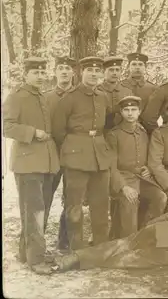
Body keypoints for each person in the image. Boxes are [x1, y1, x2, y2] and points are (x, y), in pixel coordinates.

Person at [50, 187, 168, 273]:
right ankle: (74, 258)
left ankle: (83, 262)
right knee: (124, 244)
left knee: (133, 259)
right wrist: (155, 222)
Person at [3, 57, 60, 274]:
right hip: (27, 163)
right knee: (34, 211)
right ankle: (36, 260)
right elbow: (6, 126)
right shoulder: (16, 97)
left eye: (43, 72)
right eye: (35, 72)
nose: (40, 76)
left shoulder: (43, 97)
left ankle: (25, 252)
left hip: (46, 163)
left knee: (39, 210)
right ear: (26, 74)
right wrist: (32, 132)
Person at [52, 56, 112, 250]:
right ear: (81, 73)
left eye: (97, 71)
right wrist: (72, 148)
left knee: (101, 204)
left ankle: (100, 248)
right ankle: (75, 249)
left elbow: (107, 123)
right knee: (74, 205)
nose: (94, 74)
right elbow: (59, 130)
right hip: (76, 156)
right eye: (89, 71)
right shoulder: (69, 97)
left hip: (100, 157)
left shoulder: (103, 97)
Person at [106, 96, 168, 239]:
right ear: (121, 112)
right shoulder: (114, 135)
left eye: (134, 110)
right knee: (130, 200)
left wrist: (148, 168)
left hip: (142, 179)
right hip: (124, 179)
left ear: (139, 112)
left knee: (160, 197)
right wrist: (123, 187)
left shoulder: (142, 132)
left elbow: (148, 157)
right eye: (126, 110)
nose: (130, 113)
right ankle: (128, 244)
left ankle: (145, 237)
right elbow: (111, 166)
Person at [44, 56, 77, 251]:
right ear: (55, 72)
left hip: (75, 155)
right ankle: (38, 239)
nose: (64, 72)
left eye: (68, 69)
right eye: (61, 68)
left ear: (74, 73)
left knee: (71, 197)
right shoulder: (46, 98)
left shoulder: (81, 96)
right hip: (52, 154)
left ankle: (65, 240)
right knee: (45, 195)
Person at [121, 53, 157, 124]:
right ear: (128, 66)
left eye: (140, 64)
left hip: (146, 129)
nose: (137, 67)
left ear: (145, 67)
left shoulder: (153, 88)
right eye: (134, 64)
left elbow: (155, 112)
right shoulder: (120, 86)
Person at [99, 56, 133, 131]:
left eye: (117, 70)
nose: (114, 73)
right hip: (101, 132)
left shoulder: (127, 92)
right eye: (111, 70)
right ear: (103, 71)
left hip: (122, 133)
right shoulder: (97, 90)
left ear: (120, 72)